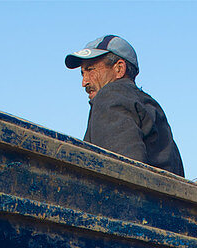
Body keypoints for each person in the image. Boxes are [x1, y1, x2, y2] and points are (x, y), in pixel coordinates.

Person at [65, 35, 184, 176]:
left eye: (91, 70)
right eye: (82, 73)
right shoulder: (150, 106)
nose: (84, 82)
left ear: (119, 68)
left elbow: (123, 174)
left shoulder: (110, 96)